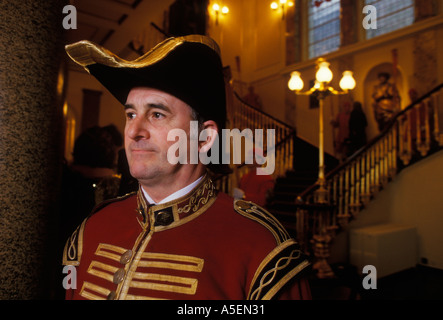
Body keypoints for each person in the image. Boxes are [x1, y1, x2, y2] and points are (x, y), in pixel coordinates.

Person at [62, 35, 311, 300]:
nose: (134, 131)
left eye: (157, 114)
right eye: (130, 114)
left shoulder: (261, 248)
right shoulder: (94, 226)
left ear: (205, 138)